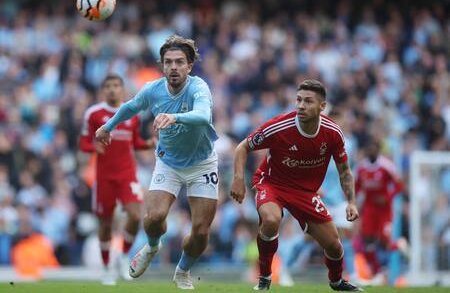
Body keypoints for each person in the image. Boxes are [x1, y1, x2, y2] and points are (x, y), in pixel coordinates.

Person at [95, 35, 219, 290]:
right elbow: (131, 107)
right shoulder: (153, 89)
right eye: (168, 62)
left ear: (189, 65)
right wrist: (107, 127)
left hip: (202, 164)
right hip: (169, 163)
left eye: (179, 62)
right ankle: (152, 247)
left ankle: (182, 270)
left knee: (201, 231)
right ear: (162, 66)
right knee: (153, 218)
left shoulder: (198, 87)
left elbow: (204, 115)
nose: (173, 67)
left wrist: (175, 118)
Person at [230, 79, 363, 291]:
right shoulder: (279, 126)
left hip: (305, 192)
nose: (301, 105)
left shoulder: (333, 133)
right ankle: (265, 276)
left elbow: (345, 171)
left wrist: (351, 202)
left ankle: (337, 282)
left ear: (322, 106)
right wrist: (238, 179)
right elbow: (242, 147)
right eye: (299, 100)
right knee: (272, 219)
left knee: (335, 246)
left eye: (308, 101)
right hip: (272, 184)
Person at [79, 74, 155, 285]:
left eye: (116, 86)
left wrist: (148, 144)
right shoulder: (93, 114)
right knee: (105, 224)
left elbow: (135, 142)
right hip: (104, 178)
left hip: (127, 175)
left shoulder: (132, 113)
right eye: (108, 86)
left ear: (122, 89)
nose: (112, 89)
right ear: (104, 90)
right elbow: (83, 142)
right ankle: (106, 269)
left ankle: (122, 257)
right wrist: (93, 146)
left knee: (134, 214)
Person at [355, 137, 404, 284]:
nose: (370, 151)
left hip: (384, 209)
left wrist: (387, 198)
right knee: (368, 241)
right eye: (368, 148)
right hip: (369, 208)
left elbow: (399, 185)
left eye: (373, 148)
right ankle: (378, 272)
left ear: (378, 150)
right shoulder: (361, 168)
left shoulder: (386, 166)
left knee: (383, 242)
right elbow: (356, 186)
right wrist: (353, 201)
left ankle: (400, 244)